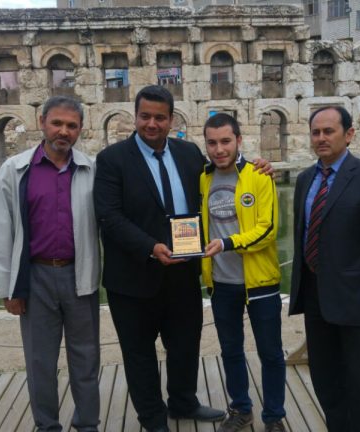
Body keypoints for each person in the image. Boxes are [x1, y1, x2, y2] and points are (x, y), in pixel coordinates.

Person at [94, 86, 272, 432]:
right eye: (145, 116)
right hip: (133, 275)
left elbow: (223, 170)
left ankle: (183, 401)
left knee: (185, 344)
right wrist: (151, 247)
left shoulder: (188, 153)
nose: (152, 123)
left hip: (183, 272)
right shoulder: (112, 159)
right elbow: (109, 217)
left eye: (160, 117)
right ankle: (152, 418)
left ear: (171, 119)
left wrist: (256, 166)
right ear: (135, 116)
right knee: (139, 352)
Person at [0, 96, 101, 432]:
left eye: (71, 126)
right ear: (42, 122)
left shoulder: (92, 170)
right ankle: (47, 425)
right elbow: (2, 232)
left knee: (85, 357)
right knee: (40, 361)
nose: (63, 131)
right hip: (35, 276)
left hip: (80, 274)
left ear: (80, 129)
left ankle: (87, 424)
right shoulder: (14, 170)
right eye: (57, 123)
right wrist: (8, 289)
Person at [288, 106, 360, 432]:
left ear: (348, 134)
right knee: (326, 379)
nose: (321, 138)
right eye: (316, 132)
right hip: (315, 297)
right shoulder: (305, 180)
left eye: (328, 131)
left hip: (357, 301)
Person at [200, 113, 287, 432]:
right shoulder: (204, 178)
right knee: (231, 351)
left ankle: (274, 416)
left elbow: (269, 230)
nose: (219, 149)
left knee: (271, 353)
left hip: (260, 281)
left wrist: (227, 243)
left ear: (238, 140)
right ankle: (241, 409)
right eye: (212, 143)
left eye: (226, 141)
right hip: (221, 282)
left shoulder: (259, 175)